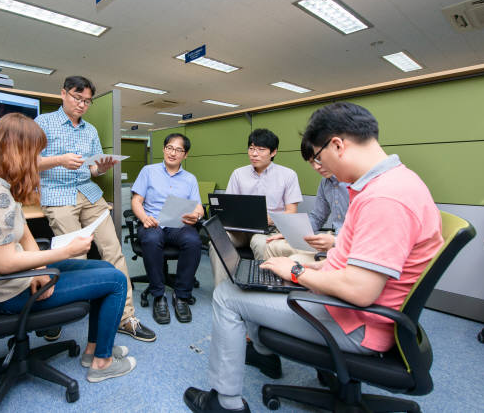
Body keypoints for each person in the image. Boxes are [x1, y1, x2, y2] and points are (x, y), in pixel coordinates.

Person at [183, 102, 443, 412]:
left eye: (319, 158)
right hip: (355, 308)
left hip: (356, 322)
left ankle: (225, 403)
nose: (322, 168)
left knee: (228, 295)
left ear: (337, 145)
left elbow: (361, 291)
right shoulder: (392, 184)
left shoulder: (384, 198)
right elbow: (351, 262)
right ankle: (262, 350)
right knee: (257, 276)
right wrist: (297, 267)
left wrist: (295, 271)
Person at [0, 113, 136, 382]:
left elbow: (25, 235)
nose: (37, 162)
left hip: (22, 275)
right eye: (34, 154)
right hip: (10, 291)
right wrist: (66, 251)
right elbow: (5, 264)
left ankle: (94, 349)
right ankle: (102, 362)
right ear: (18, 152)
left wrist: (41, 267)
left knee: (104, 267)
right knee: (116, 280)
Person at [35, 76, 156, 342]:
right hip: (58, 194)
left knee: (113, 252)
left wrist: (100, 168)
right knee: (73, 258)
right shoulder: (43, 122)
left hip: (89, 193)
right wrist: (60, 160)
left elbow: (92, 168)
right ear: (63, 94)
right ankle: (55, 315)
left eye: (87, 101)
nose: (82, 105)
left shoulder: (89, 130)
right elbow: (29, 161)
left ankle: (126, 317)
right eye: (78, 98)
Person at [209, 128, 303, 287]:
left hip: (269, 229)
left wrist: (269, 219)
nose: (254, 154)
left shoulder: (288, 175)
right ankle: (223, 290)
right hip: (240, 229)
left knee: (260, 243)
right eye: (251, 148)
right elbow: (229, 206)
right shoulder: (238, 174)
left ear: (273, 152)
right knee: (218, 241)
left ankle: (262, 288)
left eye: (261, 149)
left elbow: (291, 212)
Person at [131, 133, 205, 325]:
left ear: (185, 155)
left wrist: (196, 215)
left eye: (179, 150)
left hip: (176, 223)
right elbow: (136, 201)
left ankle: (181, 295)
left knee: (194, 241)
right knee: (152, 239)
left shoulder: (190, 179)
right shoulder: (148, 171)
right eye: (170, 148)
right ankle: (158, 295)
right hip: (152, 222)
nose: (173, 153)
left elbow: (198, 207)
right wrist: (144, 218)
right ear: (164, 149)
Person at [262, 137, 350, 262]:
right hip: (332, 238)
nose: (316, 167)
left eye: (318, 159)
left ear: (337, 148)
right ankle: (262, 281)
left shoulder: (359, 181)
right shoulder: (325, 183)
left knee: (294, 261)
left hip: (350, 245)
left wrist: (336, 241)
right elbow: (317, 217)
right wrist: (292, 233)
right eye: (311, 162)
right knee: (272, 247)